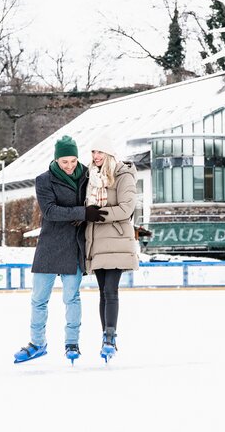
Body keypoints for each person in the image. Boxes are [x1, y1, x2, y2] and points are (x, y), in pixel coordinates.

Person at [13, 135, 108, 364]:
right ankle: (37, 343)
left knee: (71, 298)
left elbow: (97, 198)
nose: (70, 166)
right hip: (49, 245)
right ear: (56, 160)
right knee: (39, 299)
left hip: (74, 245)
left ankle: (72, 343)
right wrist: (82, 213)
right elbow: (50, 212)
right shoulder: (43, 180)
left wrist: (84, 215)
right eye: (65, 161)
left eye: (73, 160)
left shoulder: (87, 175)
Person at [84, 136, 139, 362]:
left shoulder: (123, 175)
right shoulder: (90, 177)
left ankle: (110, 337)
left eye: (100, 152)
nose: (96, 156)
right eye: (93, 152)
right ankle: (105, 336)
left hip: (116, 240)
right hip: (97, 241)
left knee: (110, 290)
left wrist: (99, 215)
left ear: (110, 154)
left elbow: (127, 208)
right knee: (102, 292)